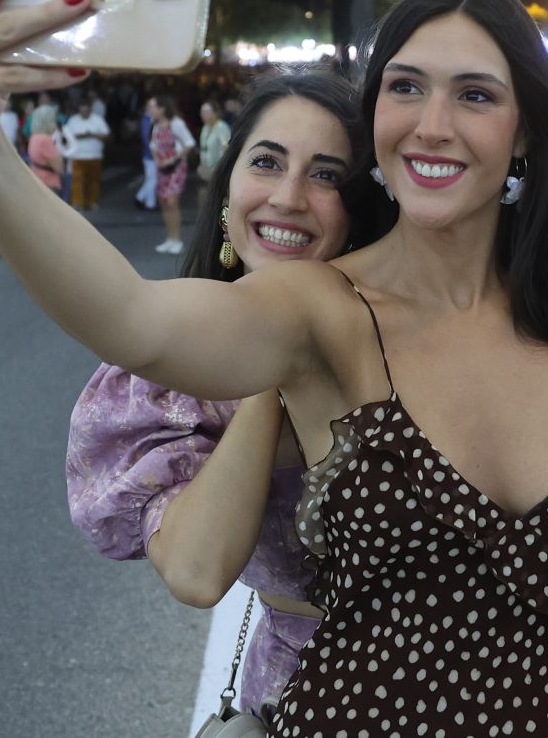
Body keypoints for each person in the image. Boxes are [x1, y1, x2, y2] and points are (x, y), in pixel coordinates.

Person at [0, 0, 548, 735]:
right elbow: (132, 318)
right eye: (405, 87)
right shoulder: (321, 310)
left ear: (524, 130)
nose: (432, 123)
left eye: (474, 94)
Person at [67, 67, 369, 712]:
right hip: (297, 697)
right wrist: (277, 365)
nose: (288, 196)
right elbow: (197, 572)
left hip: (471, 690)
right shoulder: (180, 374)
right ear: (228, 191)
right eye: (267, 162)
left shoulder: (423, 335)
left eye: (326, 175)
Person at [149, 96, 193, 254]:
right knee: (163, 202)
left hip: (176, 167)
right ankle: (170, 238)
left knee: (172, 201)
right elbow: (153, 145)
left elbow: (189, 143)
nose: (150, 110)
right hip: (161, 167)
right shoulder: (156, 125)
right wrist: (157, 159)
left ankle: (177, 239)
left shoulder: (176, 123)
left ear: (162, 108)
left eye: (153, 107)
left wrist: (172, 159)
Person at [61, 96, 110, 211]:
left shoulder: (98, 120)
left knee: (93, 180)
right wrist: (80, 136)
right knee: (77, 180)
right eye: (82, 110)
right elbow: (67, 135)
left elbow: (106, 134)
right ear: (79, 109)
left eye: (86, 110)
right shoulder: (73, 120)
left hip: (94, 156)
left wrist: (92, 135)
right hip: (78, 156)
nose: (84, 112)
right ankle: (77, 202)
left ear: (90, 109)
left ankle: (92, 202)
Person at [25, 105, 65, 194]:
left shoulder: (33, 137)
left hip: (36, 179)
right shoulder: (46, 140)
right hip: (48, 182)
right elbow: (59, 168)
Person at [197, 99, 233, 188]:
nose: (203, 115)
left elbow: (226, 149)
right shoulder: (205, 128)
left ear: (215, 113)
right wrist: (201, 164)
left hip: (219, 170)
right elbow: (204, 148)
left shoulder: (221, 127)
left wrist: (217, 168)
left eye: (206, 112)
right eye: (202, 112)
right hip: (207, 170)